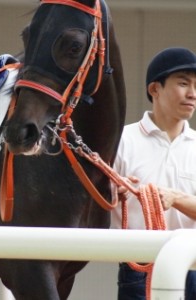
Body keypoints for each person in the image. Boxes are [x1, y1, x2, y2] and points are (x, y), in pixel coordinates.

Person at [110, 47, 196, 300]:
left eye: (195, 85)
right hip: (139, 266)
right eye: (183, 83)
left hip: (193, 264)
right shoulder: (121, 141)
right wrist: (114, 192)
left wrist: (176, 198)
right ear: (154, 89)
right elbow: (93, 207)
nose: (192, 94)